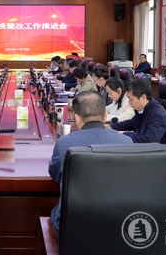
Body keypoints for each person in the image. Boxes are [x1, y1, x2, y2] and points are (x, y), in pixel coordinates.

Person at [48, 91, 132, 238]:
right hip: (117, 225)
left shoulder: (63, 143)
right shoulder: (127, 142)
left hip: (73, 229)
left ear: (76, 117)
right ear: (105, 116)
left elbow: (56, 177)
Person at [110, 79, 166, 144]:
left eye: (131, 99)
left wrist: (124, 134)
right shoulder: (143, 108)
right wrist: (112, 127)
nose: (128, 102)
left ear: (143, 97)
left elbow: (149, 140)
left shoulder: (158, 115)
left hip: (157, 149)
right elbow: (131, 123)